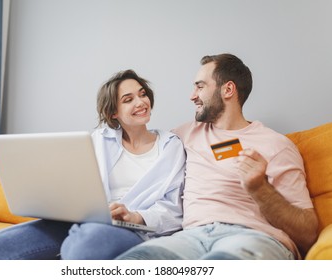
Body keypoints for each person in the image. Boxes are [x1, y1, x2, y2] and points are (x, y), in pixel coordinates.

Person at [0, 69, 186, 260]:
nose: (141, 102)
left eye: (142, 94)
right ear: (113, 112)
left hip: (131, 229)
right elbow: (75, 184)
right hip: (79, 221)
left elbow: (173, 208)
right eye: (128, 99)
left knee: (85, 246)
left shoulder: (170, 146)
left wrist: (136, 216)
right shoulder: (99, 139)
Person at [116, 53, 318, 260]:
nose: (192, 95)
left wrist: (260, 189)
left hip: (252, 237)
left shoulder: (275, 145)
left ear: (228, 90)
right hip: (190, 239)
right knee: (131, 263)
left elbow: (308, 234)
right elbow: (140, 150)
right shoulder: (183, 136)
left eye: (200, 87)